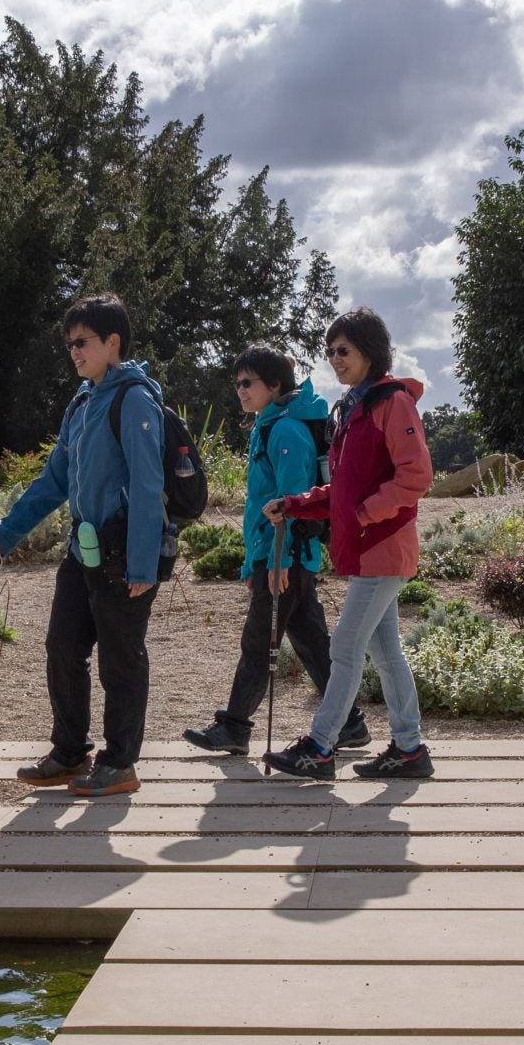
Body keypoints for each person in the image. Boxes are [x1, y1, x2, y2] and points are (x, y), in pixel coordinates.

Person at [0, 294, 167, 798]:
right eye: (69, 344)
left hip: (125, 557)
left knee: (120, 662)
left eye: (82, 342)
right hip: (82, 554)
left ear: (112, 342)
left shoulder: (136, 401)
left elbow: (149, 488)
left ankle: (120, 764)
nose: (74, 352)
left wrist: (144, 564)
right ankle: (69, 752)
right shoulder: (81, 403)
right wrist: (2, 538)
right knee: (62, 647)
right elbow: (52, 480)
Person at [263, 308, 435, 780]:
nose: (335, 359)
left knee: (343, 647)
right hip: (369, 549)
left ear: (370, 352)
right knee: (385, 651)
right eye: (330, 351)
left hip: (382, 545)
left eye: (344, 350)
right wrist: (296, 504)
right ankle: (409, 749)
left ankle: (320, 747)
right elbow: (343, 489)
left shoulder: (391, 403)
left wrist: (363, 515)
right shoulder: (355, 408)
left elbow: (416, 476)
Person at [184, 347, 369, 755]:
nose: (240, 391)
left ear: (274, 385)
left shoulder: (284, 432)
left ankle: (234, 728)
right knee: (312, 643)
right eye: (237, 384)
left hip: (286, 556)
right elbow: (260, 506)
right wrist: (254, 561)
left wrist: (276, 562)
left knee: (258, 643)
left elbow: (290, 502)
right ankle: (351, 723)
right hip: (285, 557)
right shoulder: (268, 427)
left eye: (247, 382)